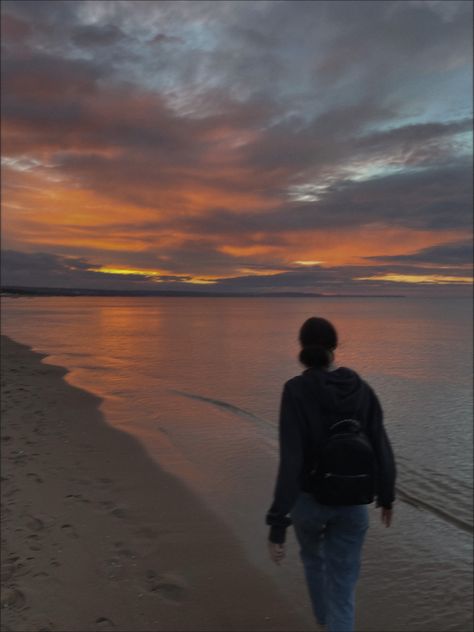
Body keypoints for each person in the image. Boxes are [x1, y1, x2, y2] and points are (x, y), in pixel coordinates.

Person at [265, 317, 396, 632]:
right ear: (334, 348)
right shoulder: (361, 389)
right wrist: (387, 496)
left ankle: (325, 624)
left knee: (313, 562)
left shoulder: (295, 390)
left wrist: (277, 522)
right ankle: (336, 624)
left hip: (308, 501)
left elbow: (292, 458)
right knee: (344, 582)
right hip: (353, 502)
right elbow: (380, 443)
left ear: (302, 347)